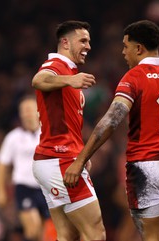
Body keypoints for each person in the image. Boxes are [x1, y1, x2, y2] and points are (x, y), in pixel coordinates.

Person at [64, 20, 159, 241]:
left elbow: (111, 121)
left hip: (144, 167)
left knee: (151, 237)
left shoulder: (134, 77)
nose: (123, 52)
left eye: (125, 46)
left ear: (138, 48)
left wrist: (80, 160)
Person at [31, 20, 106, 241]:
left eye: (89, 41)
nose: (88, 46)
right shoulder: (55, 66)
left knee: (67, 235)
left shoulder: (69, 71)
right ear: (65, 42)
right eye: (83, 40)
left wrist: (80, 153)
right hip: (59, 159)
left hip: (55, 159)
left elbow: (68, 122)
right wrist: (69, 80)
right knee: (96, 234)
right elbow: (38, 80)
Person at [0, 95, 50, 241]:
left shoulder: (49, 134)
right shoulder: (13, 137)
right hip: (24, 187)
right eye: (24, 111)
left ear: (39, 111)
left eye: (29, 110)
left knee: (45, 232)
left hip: (47, 188)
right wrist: (0, 190)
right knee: (33, 229)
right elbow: (2, 164)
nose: (27, 114)